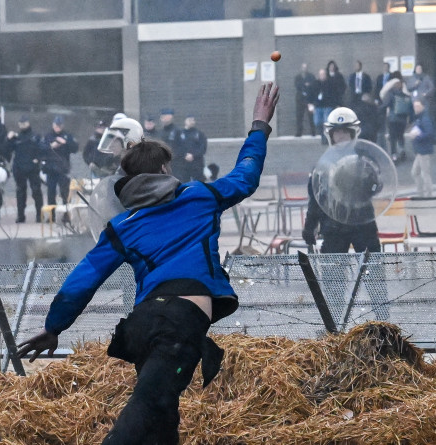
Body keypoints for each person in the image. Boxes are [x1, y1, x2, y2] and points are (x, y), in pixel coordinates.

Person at [16, 83, 281, 445]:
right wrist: (259, 126)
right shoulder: (199, 196)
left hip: (142, 324)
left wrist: (54, 326)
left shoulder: (122, 226)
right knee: (144, 411)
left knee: (162, 419)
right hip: (181, 323)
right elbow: (246, 175)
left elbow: (85, 277)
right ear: (162, 168)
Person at [302, 107, 390, 320]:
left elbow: (377, 186)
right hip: (333, 226)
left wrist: (365, 178)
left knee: (374, 274)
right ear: (330, 135)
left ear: (353, 133)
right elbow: (316, 198)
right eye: (337, 132)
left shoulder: (365, 159)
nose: (341, 136)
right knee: (332, 279)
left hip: (363, 224)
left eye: (345, 132)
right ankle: (333, 327)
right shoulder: (322, 164)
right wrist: (309, 225)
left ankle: (384, 323)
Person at [7, 116, 45, 223]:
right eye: (21, 124)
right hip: (19, 168)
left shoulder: (35, 136)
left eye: (24, 123)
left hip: (32, 168)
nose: (22, 126)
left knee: (36, 191)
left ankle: (39, 215)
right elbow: (8, 149)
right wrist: (9, 139)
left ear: (28, 123)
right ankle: (21, 215)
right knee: (20, 192)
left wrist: (38, 160)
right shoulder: (17, 137)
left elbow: (42, 149)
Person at [42, 116, 78, 205]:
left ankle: (66, 213)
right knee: (51, 192)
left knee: (65, 192)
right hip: (50, 168)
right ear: (53, 125)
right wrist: (51, 146)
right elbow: (41, 149)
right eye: (56, 125)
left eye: (59, 125)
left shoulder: (67, 135)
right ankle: (51, 215)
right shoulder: (48, 136)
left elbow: (75, 148)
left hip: (63, 168)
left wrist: (65, 143)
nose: (57, 127)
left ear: (62, 126)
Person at [380, 71, 412, 162]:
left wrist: (378, 109)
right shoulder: (405, 95)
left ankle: (394, 155)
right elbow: (410, 108)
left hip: (392, 119)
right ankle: (402, 150)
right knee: (400, 135)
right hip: (402, 119)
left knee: (392, 137)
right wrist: (410, 120)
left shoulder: (391, 94)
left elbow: (385, 105)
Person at [408, 99, 436, 197]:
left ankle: (428, 194)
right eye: (414, 106)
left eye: (417, 106)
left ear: (423, 107)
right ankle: (420, 193)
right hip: (420, 150)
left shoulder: (424, 118)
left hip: (424, 150)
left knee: (425, 173)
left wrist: (417, 137)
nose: (415, 108)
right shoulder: (420, 118)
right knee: (415, 172)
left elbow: (429, 133)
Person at [172, 115, 208, 183]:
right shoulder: (179, 134)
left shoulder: (200, 134)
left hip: (197, 165)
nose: (191, 122)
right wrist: (184, 155)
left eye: (193, 120)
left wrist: (193, 155)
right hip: (183, 165)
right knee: (184, 184)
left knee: (199, 184)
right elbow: (175, 147)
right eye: (189, 120)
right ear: (185, 121)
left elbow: (203, 148)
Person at [310, 68, 339, 142]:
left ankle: (325, 138)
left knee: (327, 123)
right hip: (318, 106)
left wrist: (335, 104)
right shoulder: (315, 83)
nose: (322, 76)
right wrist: (311, 104)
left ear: (326, 75)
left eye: (323, 74)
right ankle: (322, 134)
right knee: (317, 122)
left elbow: (334, 95)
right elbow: (311, 94)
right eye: (321, 74)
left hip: (327, 106)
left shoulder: (330, 83)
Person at [294, 63, 317, 137]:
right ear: (301, 68)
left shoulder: (311, 76)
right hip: (300, 100)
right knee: (299, 116)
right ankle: (299, 132)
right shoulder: (297, 77)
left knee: (311, 116)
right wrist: (305, 84)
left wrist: (306, 85)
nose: (304, 69)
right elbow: (297, 85)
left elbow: (313, 84)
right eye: (303, 67)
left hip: (310, 99)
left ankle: (313, 131)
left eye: (305, 67)